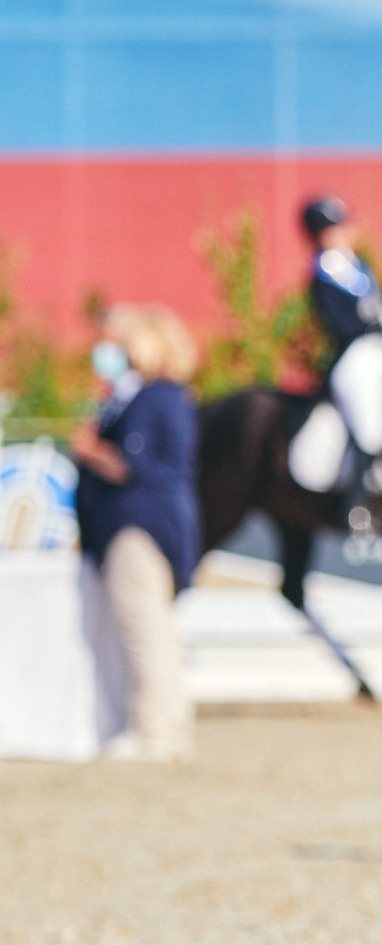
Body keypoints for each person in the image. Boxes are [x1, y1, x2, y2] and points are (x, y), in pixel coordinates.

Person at [68, 305, 201, 761]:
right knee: (155, 629)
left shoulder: (151, 399)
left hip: (138, 525)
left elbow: (133, 465)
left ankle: (154, 730)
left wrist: (89, 450)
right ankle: (168, 727)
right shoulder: (168, 397)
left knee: (144, 629)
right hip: (158, 523)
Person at [301, 194, 382, 528]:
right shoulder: (322, 272)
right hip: (353, 355)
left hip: (379, 350)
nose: (341, 232)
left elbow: (374, 305)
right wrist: (379, 319)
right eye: (331, 227)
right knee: (369, 424)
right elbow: (344, 321)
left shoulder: (357, 265)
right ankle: (357, 502)